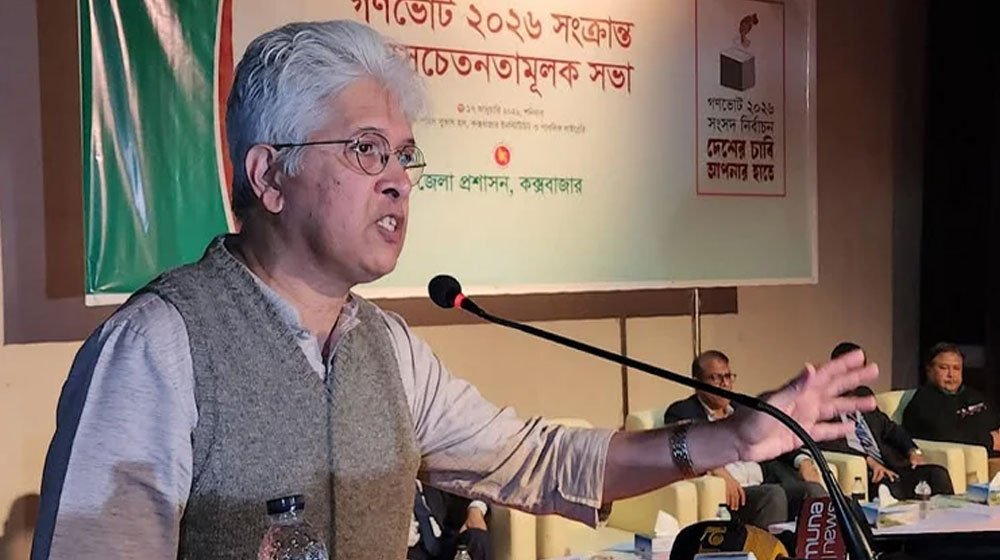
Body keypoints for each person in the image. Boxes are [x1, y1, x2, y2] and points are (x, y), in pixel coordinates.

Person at [31, 20, 879, 560]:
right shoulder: (160, 346)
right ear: (269, 174)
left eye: (405, 155)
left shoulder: (388, 348)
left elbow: (538, 461)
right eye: (366, 150)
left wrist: (732, 438)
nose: (398, 179)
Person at [664, 351, 827, 528]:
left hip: (766, 481)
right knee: (773, 496)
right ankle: (769, 546)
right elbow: (686, 445)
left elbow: (777, 435)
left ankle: (822, 545)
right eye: (716, 378)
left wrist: (803, 462)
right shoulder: (682, 411)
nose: (725, 384)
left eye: (728, 376)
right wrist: (718, 470)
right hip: (733, 495)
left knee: (812, 491)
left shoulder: (743, 408)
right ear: (697, 382)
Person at [820, 342, 953, 499]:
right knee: (888, 487)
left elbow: (890, 429)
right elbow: (827, 442)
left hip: (892, 465)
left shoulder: (863, 394)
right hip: (867, 473)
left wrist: (913, 451)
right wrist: (868, 461)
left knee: (937, 474)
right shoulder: (821, 401)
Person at [903, 343, 1000, 472]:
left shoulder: (973, 395)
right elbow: (944, 433)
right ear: (929, 370)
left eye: (956, 368)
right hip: (970, 460)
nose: (951, 374)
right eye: (944, 368)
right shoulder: (923, 400)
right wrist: (989, 440)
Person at [408, 481, 490, 560]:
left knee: (476, 538)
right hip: (411, 552)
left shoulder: (430, 478)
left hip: (445, 543)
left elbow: (480, 488)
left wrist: (475, 510)